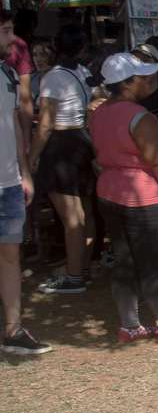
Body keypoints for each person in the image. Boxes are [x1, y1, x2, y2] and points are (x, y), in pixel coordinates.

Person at [88, 53, 158, 345]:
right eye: (144, 77)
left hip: (109, 191)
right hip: (144, 195)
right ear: (128, 83)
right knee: (156, 264)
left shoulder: (99, 112)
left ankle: (130, 324)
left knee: (124, 260)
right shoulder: (141, 118)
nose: (151, 80)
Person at [31, 28, 96, 295]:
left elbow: (45, 124)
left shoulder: (53, 77)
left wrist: (32, 156)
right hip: (81, 140)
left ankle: (73, 276)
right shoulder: (82, 71)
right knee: (84, 210)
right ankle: (82, 267)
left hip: (60, 144)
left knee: (71, 215)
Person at [0, 54, 49, 355]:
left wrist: (24, 172)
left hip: (8, 183)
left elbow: (16, 124)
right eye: (4, 30)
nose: (9, 38)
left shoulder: (7, 73)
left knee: (10, 257)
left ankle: (13, 330)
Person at [0, 11, 33, 149]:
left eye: (11, 30)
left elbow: (25, 98)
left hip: (10, 129)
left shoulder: (18, 46)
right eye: (6, 31)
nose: (12, 37)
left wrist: (26, 141)